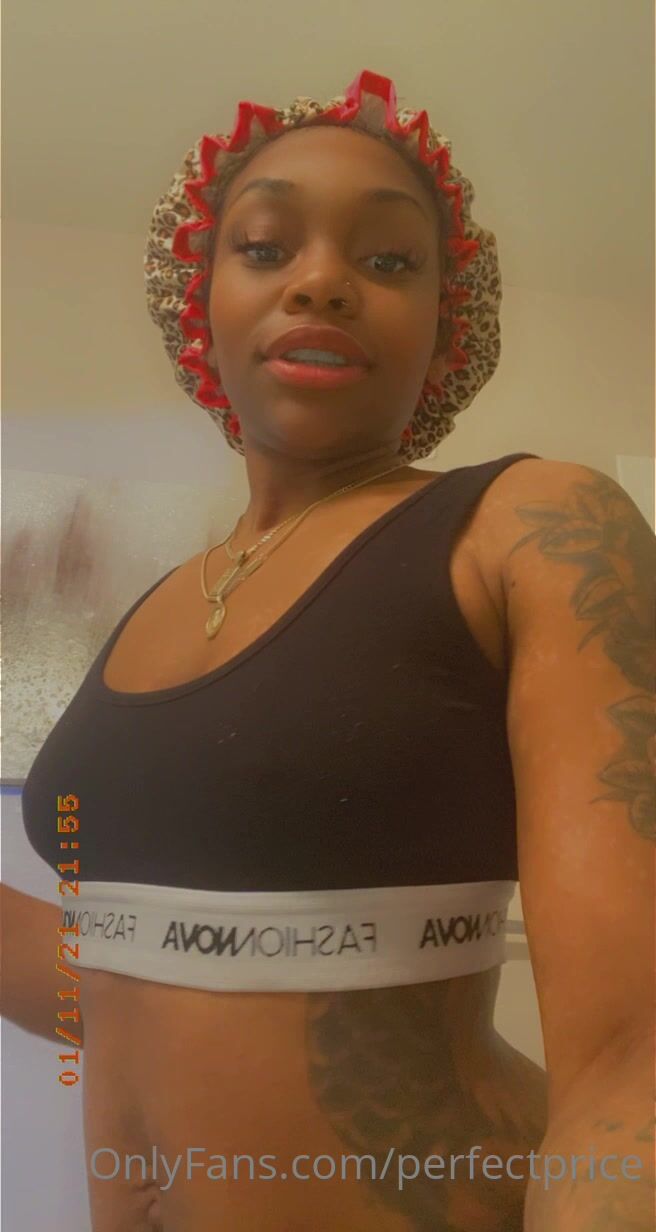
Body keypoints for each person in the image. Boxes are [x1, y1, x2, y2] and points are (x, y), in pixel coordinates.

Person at [3, 68, 654, 1232]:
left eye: (388, 259)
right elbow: (119, 980)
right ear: (198, 300)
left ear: (446, 323)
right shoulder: (162, 600)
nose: (318, 281)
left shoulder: (526, 526)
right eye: (264, 246)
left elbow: (630, 1059)